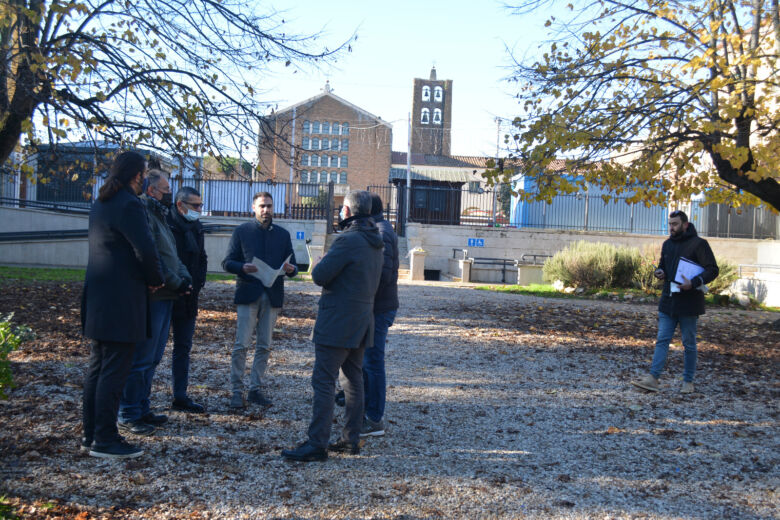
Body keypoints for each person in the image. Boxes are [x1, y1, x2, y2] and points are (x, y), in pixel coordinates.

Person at [282, 190, 384, 462]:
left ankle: (317, 443)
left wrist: (318, 262)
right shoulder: (375, 241)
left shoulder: (348, 240)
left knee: (324, 381)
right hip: (362, 320)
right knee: (353, 380)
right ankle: (350, 440)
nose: (340, 213)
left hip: (338, 321)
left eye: (342, 209)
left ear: (347, 211)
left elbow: (320, 276)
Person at [81, 151, 163, 459]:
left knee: (98, 367)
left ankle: (91, 434)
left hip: (99, 297)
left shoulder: (101, 202)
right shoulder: (129, 204)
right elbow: (146, 249)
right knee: (114, 370)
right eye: (144, 174)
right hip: (122, 299)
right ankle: (105, 438)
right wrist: (155, 279)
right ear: (137, 175)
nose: (145, 179)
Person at [118, 170, 192, 435]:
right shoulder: (144, 214)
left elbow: (172, 255)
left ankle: (142, 407)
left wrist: (184, 277)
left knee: (152, 358)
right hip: (153, 296)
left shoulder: (161, 215)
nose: (170, 193)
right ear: (151, 191)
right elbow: (153, 257)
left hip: (167, 295)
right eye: (166, 190)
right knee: (141, 358)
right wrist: (174, 281)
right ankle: (129, 412)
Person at [222, 191, 297, 410]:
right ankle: (237, 390)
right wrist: (241, 267)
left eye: (269, 206)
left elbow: (293, 266)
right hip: (248, 293)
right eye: (262, 206)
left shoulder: (283, 234)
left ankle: (255, 389)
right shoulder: (242, 231)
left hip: (272, 295)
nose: (266, 210)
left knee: (265, 345)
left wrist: (290, 269)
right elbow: (227, 262)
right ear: (253, 207)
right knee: (241, 344)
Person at [632, 210, 719, 394]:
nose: (671, 227)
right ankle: (653, 379)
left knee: (689, 343)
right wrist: (660, 272)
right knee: (662, 340)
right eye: (670, 224)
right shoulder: (667, 244)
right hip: (668, 301)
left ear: (685, 225)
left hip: (689, 303)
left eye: (675, 224)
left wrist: (694, 282)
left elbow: (712, 269)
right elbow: (663, 266)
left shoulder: (699, 244)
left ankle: (688, 381)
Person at [167, 186, 208, 413]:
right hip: (167, 293)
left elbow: (202, 258)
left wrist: (197, 284)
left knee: (183, 347)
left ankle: (180, 395)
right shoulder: (167, 224)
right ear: (180, 205)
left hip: (190, 295)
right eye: (195, 205)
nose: (199, 209)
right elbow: (164, 259)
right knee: (152, 351)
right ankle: (140, 402)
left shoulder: (196, 227)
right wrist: (178, 283)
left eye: (200, 205)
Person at [361, 193, 399, 437]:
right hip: (377, 306)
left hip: (379, 308)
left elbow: (381, 276)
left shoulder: (381, 232)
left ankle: (374, 418)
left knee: (373, 363)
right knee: (368, 361)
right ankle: (367, 410)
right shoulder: (380, 228)